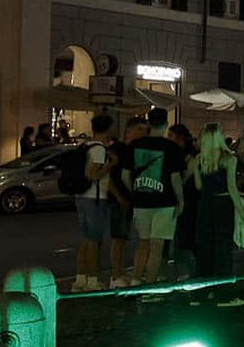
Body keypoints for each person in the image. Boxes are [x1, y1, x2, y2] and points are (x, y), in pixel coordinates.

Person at [123, 107, 186, 289]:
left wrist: (134, 192)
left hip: (141, 202)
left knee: (143, 242)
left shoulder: (135, 146)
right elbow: (175, 178)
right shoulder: (172, 147)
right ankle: (150, 286)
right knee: (157, 245)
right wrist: (181, 201)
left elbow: (125, 176)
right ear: (166, 124)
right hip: (165, 202)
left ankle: (136, 280)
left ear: (149, 124)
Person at [186, 123, 244, 280]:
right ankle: (223, 286)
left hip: (205, 203)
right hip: (224, 203)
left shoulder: (199, 159)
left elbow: (198, 186)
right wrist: (243, 212)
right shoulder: (229, 159)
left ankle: (204, 284)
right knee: (223, 246)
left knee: (204, 244)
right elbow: (232, 188)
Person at [70, 113, 116, 292]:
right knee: (95, 241)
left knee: (86, 240)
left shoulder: (85, 146)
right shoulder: (99, 149)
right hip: (94, 198)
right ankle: (92, 280)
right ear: (108, 129)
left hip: (81, 197)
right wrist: (111, 164)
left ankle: (80, 279)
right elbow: (93, 174)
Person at [106, 114, 145, 286]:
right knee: (119, 237)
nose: (144, 133)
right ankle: (116, 275)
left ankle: (120, 273)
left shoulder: (133, 149)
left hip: (128, 198)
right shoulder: (120, 149)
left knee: (125, 236)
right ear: (129, 131)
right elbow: (109, 177)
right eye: (140, 129)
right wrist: (119, 196)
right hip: (120, 199)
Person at [168, 123, 199, 280]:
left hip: (188, 198)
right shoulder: (183, 154)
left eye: (171, 136)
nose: (169, 139)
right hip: (184, 197)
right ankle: (185, 270)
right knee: (182, 235)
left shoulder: (188, 156)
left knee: (184, 235)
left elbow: (185, 177)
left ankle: (185, 271)